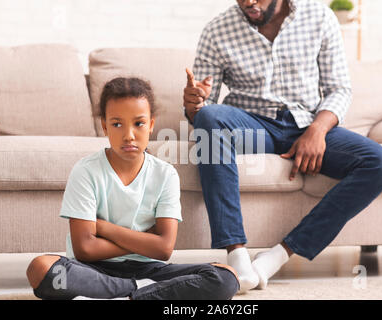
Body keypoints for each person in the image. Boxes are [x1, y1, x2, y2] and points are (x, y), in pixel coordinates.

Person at [183, 0, 382, 293]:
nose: (248, 2)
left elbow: (339, 88)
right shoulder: (217, 30)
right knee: (210, 116)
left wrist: (318, 130)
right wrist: (195, 104)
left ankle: (277, 256)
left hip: (307, 122)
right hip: (252, 124)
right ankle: (237, 258)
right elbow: (204, 109)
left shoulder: (319, 16)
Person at [26, 77, 239, 300]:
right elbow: (85, 249)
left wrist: (103, 228)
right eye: (117, 124)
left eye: (139, 123)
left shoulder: (165, 174)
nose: (129, 135)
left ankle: (126, 295)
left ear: (152, 124)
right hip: (94, 271)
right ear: (105, 126)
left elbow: (164, 249)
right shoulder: (85, 171)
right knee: (42, 267)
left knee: (226, 276)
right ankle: (139, 292)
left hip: (151, 271)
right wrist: (146, 240)